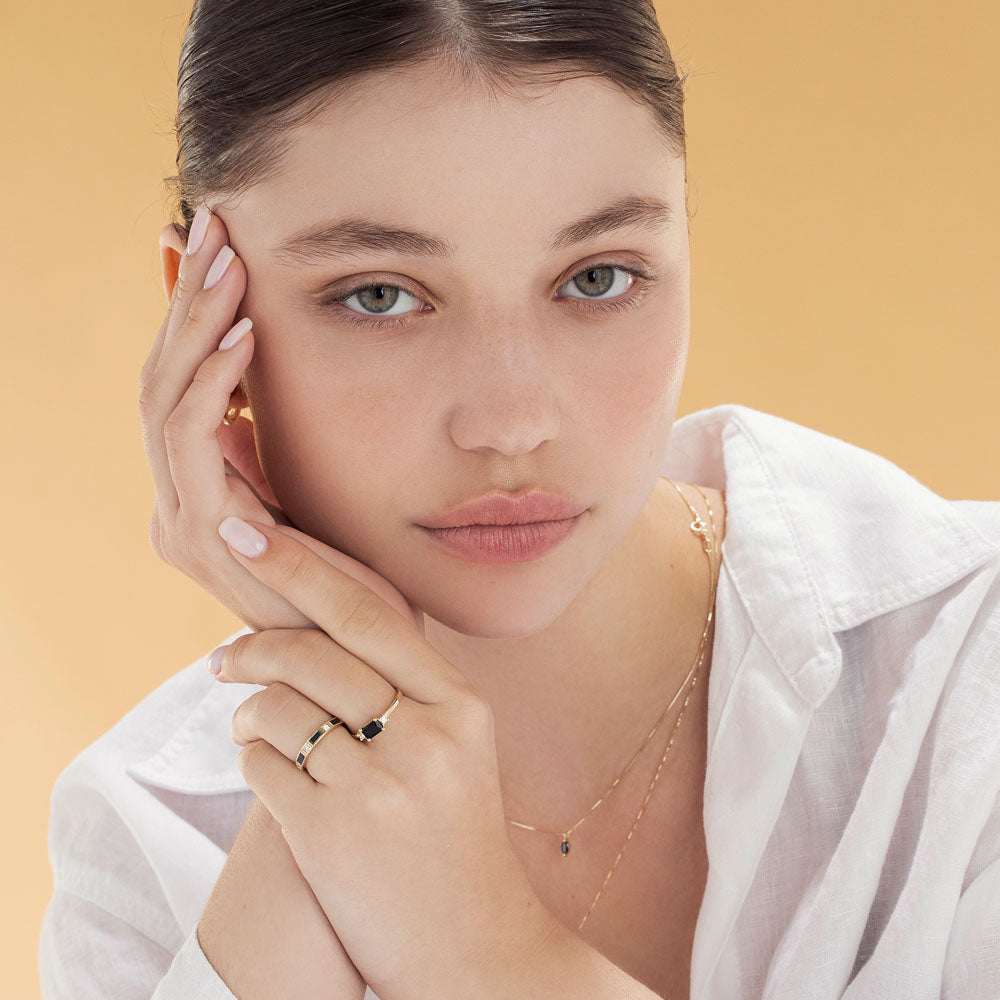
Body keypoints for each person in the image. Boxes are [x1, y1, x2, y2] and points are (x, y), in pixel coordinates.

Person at [39, 2, 1000, 998]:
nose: (510, 422)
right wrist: (332, 725)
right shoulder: (152, 843)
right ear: (204, 320)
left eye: (595, 277)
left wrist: (480, 947)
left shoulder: (964, 667)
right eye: (380, 295)